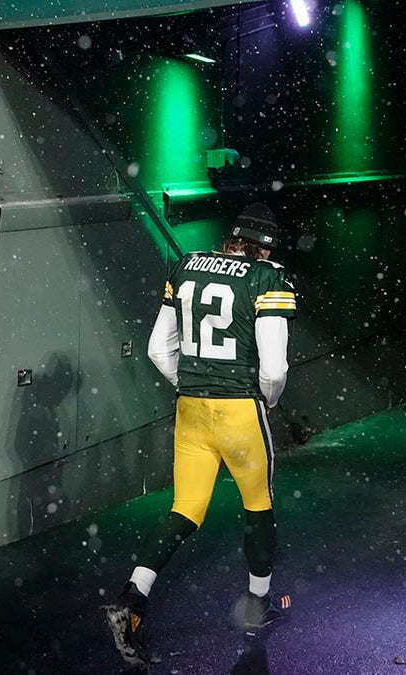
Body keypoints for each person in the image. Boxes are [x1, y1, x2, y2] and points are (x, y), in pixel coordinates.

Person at [105, 203, 297, 669]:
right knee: (259, 505)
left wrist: (190, 383)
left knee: (184, 509)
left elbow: (156, 349)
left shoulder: (188, 267)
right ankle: (257, 604)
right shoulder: (268, 280)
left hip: (191, 409)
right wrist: (264, 401)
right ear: (265, 246)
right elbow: (274, 370)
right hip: (239, 411)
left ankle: (133, 600)